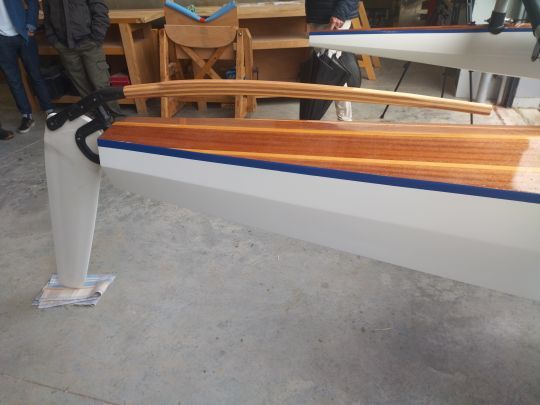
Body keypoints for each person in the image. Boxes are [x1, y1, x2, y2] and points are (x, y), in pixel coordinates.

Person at [43, 0, 122, 116]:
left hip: (89, 44)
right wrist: (54, 41)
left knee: (100, 83)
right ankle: (96, 117)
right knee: (82, 86)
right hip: (65, 47)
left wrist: (96, 37)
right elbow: (47, 18)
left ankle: (115, 116)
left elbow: (100, 10)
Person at [0, 0, 54, 133]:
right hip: (2, 41)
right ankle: (26, 116)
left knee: (35, 74)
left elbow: (33, 3)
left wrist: (31, 26)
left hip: (24, 34)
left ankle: (49, 111)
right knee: (13, 80)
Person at [305, 0, 360, 121]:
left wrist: (340, 14)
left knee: (331, 67)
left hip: (334, 17)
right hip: (317, 15)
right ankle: (313, 117)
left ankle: (344, 119)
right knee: (323, 66)